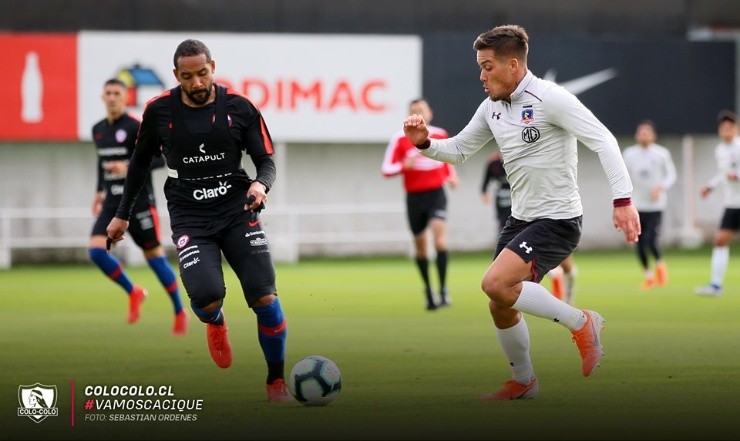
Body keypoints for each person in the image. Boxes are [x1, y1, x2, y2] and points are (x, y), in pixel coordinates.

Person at [403, 24, 640, 400]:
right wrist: (425, 143)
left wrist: (623, 201)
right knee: (499, 304)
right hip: (521, 219)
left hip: (558, 220)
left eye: (487, 67)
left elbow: (604, 141)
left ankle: (582, 322)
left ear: (513, 65)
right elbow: (460, 150)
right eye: (480, 68)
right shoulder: (491, 108)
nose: (481, 77)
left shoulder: (550, 98)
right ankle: (524, 381)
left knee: (495, 284)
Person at [106, 39, 291, 402]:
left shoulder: (240, 107)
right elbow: (139, 164)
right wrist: (122, 214)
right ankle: (215, 322)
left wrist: (260, 184)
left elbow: (265, 161)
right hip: (190, 216)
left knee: (265, 297)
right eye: (187, 76)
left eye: (203, 73)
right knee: (206, 299)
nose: (197, 82)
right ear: (176, 75)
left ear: (213, 68)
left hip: (237, 210)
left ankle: (276, 381)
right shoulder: (159, 111)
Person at [89, 78, 188, 336]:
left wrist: (128, 166)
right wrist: (99, 191)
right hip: (111, 203)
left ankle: (179, 310)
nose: (112, 97)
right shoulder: (98, 130)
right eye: (108, 93)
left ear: (125, 97)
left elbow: (160, 159)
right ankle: (133, 291)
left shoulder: (136, 126)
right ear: (103, 97)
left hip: (139, 202)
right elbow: (102, 163)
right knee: (96, 252)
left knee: (154, 257)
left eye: (117, 93)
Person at [381, 98, 459, 311]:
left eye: (422, 110)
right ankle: (429, 291)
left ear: (429, 113)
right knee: (421, 248)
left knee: (440, 241)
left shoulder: (440, 134)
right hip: (414, 197)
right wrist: (403, 166)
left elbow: (447, 158)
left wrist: (451, 176)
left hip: (436, 194)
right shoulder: (400, 138)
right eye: (414, 111)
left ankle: (443, 290)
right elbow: (386, 169)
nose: (419, 114)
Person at [622, 119, 677, 290]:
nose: (644, 135)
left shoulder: (661, 154)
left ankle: (660, 264)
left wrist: (660, 187)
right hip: (636, 205)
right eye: (641, 132)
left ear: (653, 135)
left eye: (647, 132)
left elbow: (671, 175)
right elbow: (623, 174)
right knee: (638, 242)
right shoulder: (629, 154)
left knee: (651, 240)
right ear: (636, 135)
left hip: (655, 206)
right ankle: (648, 276)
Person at [695, 110, 740, 296]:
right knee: (720, 241)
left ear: (736, 129)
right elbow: (723, 173)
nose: (726, 131)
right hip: (732, 204)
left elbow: (733, 174)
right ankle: (715, 285)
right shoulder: (720, 150)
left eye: (730, 128)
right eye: (723, 128)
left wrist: (737, 176)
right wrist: (710, 186)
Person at [480, 150, 512, 235]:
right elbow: (485, 181)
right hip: (501, 194)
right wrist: (484, 193)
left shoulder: (517, 162)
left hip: (516, 194)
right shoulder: (494, 164)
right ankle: (501, 236)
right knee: (501, 219)